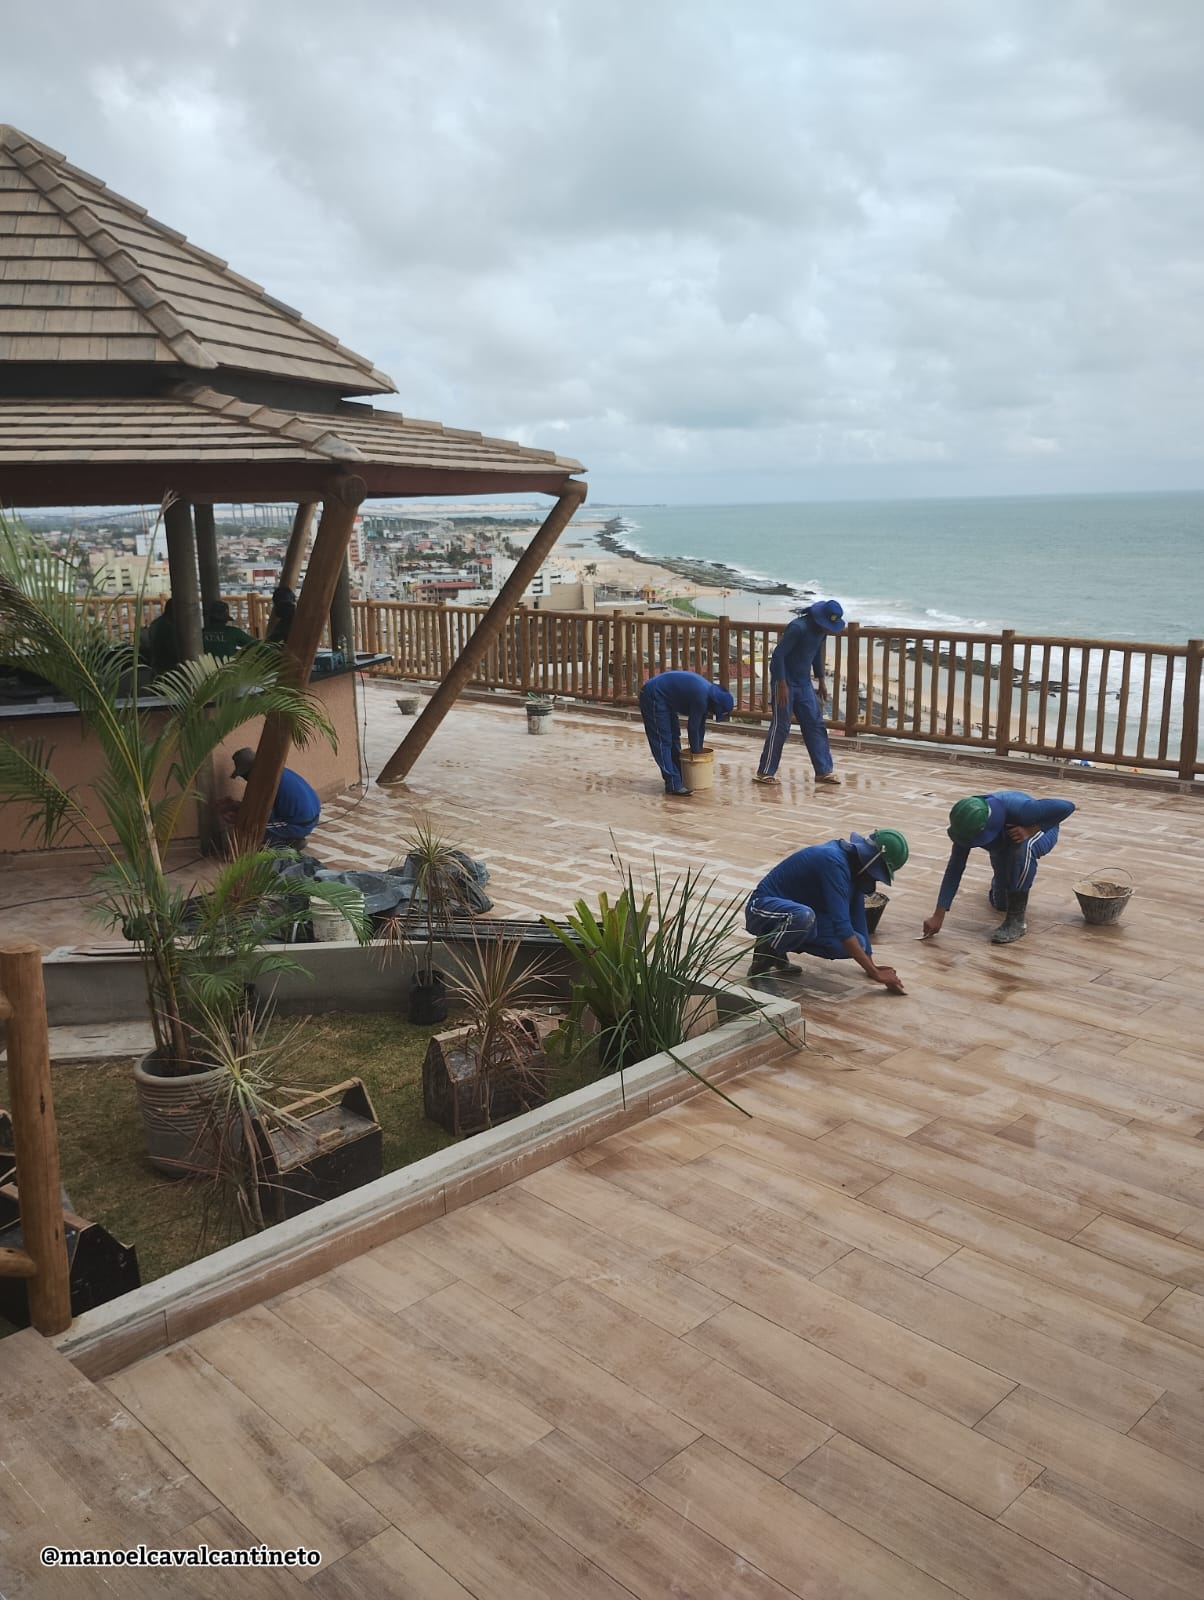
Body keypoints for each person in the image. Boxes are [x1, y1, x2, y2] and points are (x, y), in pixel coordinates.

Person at [745, 828, 909, 988]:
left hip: (798, 914)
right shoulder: (833, 861)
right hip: (762, 907)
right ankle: (760, 967)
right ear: (872, 862)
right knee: (803, 917)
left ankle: (778, 949)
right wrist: (874, 972)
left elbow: (858, 919)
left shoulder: (855, 871)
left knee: (859, 943)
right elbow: (843, 928)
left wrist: (872, 966)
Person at [923, 790, 1077, 946]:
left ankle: (1016, 921)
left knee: (1022, 849)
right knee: (1001, 904)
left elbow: (1067, 806)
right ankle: (1008, 880)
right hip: (1005, 839)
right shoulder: (966, 825)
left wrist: (1032, 829)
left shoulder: (1023, 810)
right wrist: (938, 915)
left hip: (1041, 829)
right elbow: (955, 868)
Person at [755, 599, 845, 786]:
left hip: (804, 683)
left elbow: (816, 654)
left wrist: (821, 679)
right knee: (781, 727)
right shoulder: (798, 628)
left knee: (815, 724)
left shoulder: (821, 633)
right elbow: (778, 656)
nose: (829, 630)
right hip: (784, 682)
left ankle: (823, 771)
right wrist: (781, 684)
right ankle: (765, 772)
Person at [638, 670, 735, 797]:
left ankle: (679, 775)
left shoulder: (709, 694)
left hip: (666, 698)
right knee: (663, 740)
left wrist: (698, 749)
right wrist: (696, 753)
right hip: (654, 694)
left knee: (674, 737)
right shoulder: (702, 698)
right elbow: (693, 728)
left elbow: (700, 726)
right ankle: (673, 783)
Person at [225, 747, 321, 847]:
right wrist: (238, 806)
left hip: (300, 823)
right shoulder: (275, 770)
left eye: (244, 775)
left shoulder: (263, 782)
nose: (245, 779)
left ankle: (288, 844)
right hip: (312, 817)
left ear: (250, 771)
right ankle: (290, 838)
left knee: (252, 829)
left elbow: (264, 816)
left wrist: (238, 818)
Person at [144, 599, 178, 679]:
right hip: (169, 667)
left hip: (156, 666)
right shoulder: (169, 626)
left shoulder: (156, 623)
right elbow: (174, 649)